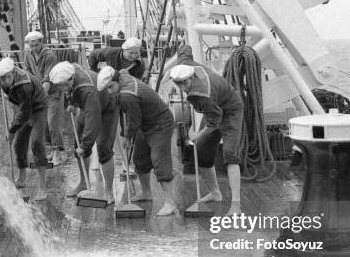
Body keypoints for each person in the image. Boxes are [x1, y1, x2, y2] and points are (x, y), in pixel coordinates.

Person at [170, 45, 244, 216]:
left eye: (185, 83)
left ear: (191, 78)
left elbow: (214, 122)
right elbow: (186, 49)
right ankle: (215, 193)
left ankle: (236, 206)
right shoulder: (186, 64)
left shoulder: (204, 95)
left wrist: (197, 135)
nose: (182, 88)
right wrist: (181, 45)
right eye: (178, 84)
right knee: (203, 151)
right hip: (215, 110)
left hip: (231, 110)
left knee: (230, 154)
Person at [97, 66, 177, 216]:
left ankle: (170, 202)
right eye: (106, 89)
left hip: (160, 124)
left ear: (116, 80)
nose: (109, 92)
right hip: (146, 123)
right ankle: (146, 192)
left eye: (110, 87)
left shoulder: (127, 95)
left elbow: (134, 119)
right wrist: (126, 133)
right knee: (140, 158)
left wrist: (127, 137)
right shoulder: (122, 77)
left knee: (159, 160)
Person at [49, 61, 119, 204]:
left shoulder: (86, 90)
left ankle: (109, 192)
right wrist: (70, 103)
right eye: (59, 86)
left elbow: (94, 120)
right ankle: (83, 182)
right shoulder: (70, 72)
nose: (62, 88)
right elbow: (68, 90)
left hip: (107, 107)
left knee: (104, 149)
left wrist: (85, 146)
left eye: (64, 84)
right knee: (77, 144)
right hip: (87, 105)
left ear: (72, 78)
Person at [0, 57, 48, 201]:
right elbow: (19, 107)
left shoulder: (24, 84)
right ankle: (22, 178)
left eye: (7, 78)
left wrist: (12, 130)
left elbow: (26, 112)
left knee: (37, 143)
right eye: (1, 79)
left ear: (13, 72)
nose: (4, 82)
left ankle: (42, 186)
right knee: (19, 144)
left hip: (38, 107)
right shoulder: (2, 80)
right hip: (22, 106)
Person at [23, 30, 67, 165]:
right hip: (39, 91)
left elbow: (47, 80)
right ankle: (52, 150)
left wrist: (38, 99)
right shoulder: (28, 54)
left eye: (35, 45)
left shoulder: (50, 56)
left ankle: (58, 153)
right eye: (30, 45)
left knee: (52, 121)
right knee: (44, 123)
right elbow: (28, 73)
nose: (33, 48)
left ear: (41, 42)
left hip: (53, 91)